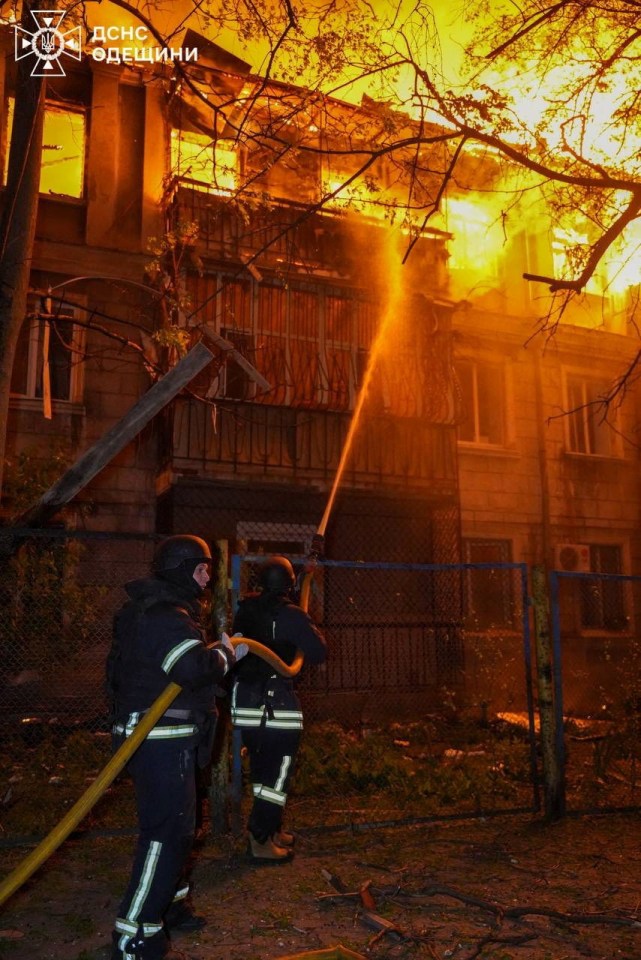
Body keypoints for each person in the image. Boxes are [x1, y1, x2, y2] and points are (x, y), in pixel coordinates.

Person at [106, 534, 248, 960]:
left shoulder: (164, 612)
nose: (207, 579)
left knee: (181, 826)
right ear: (181, 569)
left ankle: (170, 906)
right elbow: (190, 668)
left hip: (169, 739)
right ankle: (135, 934)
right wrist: (226, 655)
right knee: (167, 833)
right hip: (160, 740)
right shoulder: (166, 616)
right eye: (202, 569)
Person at [230, 554, 326, 862]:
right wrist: (305, 622)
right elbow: (318, 652)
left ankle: (270, 830)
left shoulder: (245, 611)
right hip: (276, 706)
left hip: (245, 704)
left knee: (262, 770)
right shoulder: (293, 616)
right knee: (278, 775)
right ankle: (260, 840)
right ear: (288, 584)